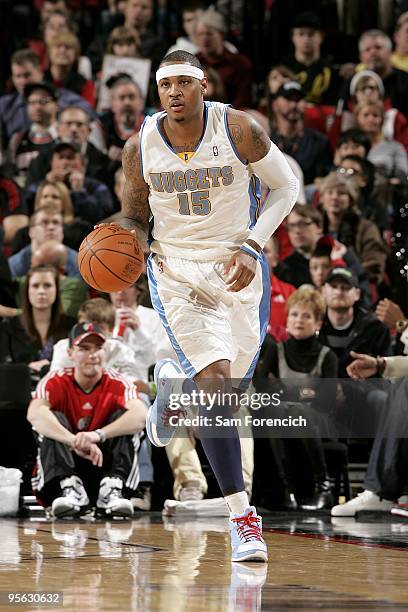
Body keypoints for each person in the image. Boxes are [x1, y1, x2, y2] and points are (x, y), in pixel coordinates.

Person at [111, 49, 299, 562]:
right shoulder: (140, 146)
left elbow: (287, 187)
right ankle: (244, 518)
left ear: (203, 87)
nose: (174, 92)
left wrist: (254, 244)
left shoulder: (239, 129)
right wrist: (115, 243)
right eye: (165, 84)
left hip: (239, 264)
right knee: (215, 382)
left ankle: (173, 388)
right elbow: (134, 217)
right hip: (176, 271)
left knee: (228, 391)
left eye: (183, 83)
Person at [27, 321, 147, 518]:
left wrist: (96, 435)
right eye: (84, 348)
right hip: (65, 467)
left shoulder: (118, 382)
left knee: (125, 419)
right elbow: (34, 413)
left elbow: (140, 416)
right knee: (51, 419)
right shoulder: (55, 380)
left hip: (104, 465)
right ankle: (68, 486)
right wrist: (73, 440)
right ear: (70, 353)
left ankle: (113, 488)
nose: (92, 355)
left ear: (106, 352)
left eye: (98, 348)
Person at [257, 288, 338, 510]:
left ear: (318, 323)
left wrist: (285, 392)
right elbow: (263, 391)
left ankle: (324, 487)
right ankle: (283, 490)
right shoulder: (277, 350)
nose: (298, 320)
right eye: (294, 314)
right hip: (286, 415)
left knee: (295, 411)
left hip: (320, 420)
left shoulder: (327, 355)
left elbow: (327, 401)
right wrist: (304, 394)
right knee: (272, 411)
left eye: (306, 316)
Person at [0, 264, 75, 378]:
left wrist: (51, 367)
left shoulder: (71, 326)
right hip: (21, 389)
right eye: (35, 286)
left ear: (56, 290)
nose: (41, 291)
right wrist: (27, 368)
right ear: (27, 290)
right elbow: (3, 367)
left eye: (47, 286)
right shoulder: (8, 326)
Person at [320, 267, 391, 378]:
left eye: (346, 287)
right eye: (334, 286)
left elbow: (387, 376)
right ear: (323, 291)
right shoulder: (311, 326)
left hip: (363, 391)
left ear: (357, 294)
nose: (339, 292)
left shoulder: (376, 329)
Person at [270, 81, 332, 186]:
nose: (294, 104)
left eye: (298, 100)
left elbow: (324, 180)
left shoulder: (319, 141)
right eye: (289, 99)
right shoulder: (265, 141)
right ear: (275, 105)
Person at [8, 205, 80, 278]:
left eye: (56, 223)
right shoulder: (13, 265)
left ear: (62, 231)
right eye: (44, 223)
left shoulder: (78, 262)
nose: (51, 227)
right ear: (31, 232)